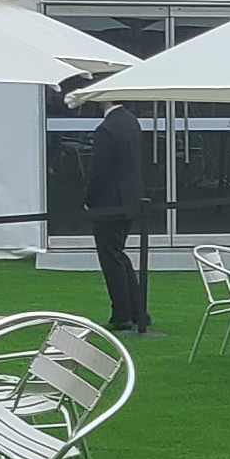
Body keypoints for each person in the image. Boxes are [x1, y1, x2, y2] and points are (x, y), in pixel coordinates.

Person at [82, 98, 153, 334]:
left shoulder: (106, 128)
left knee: (111, 258)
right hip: (131, 197)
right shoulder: (130, 121)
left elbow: (98, 170)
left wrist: (89, 198)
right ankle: (137, 311)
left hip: (110, 202)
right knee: (118, 254)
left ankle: (122, 314)